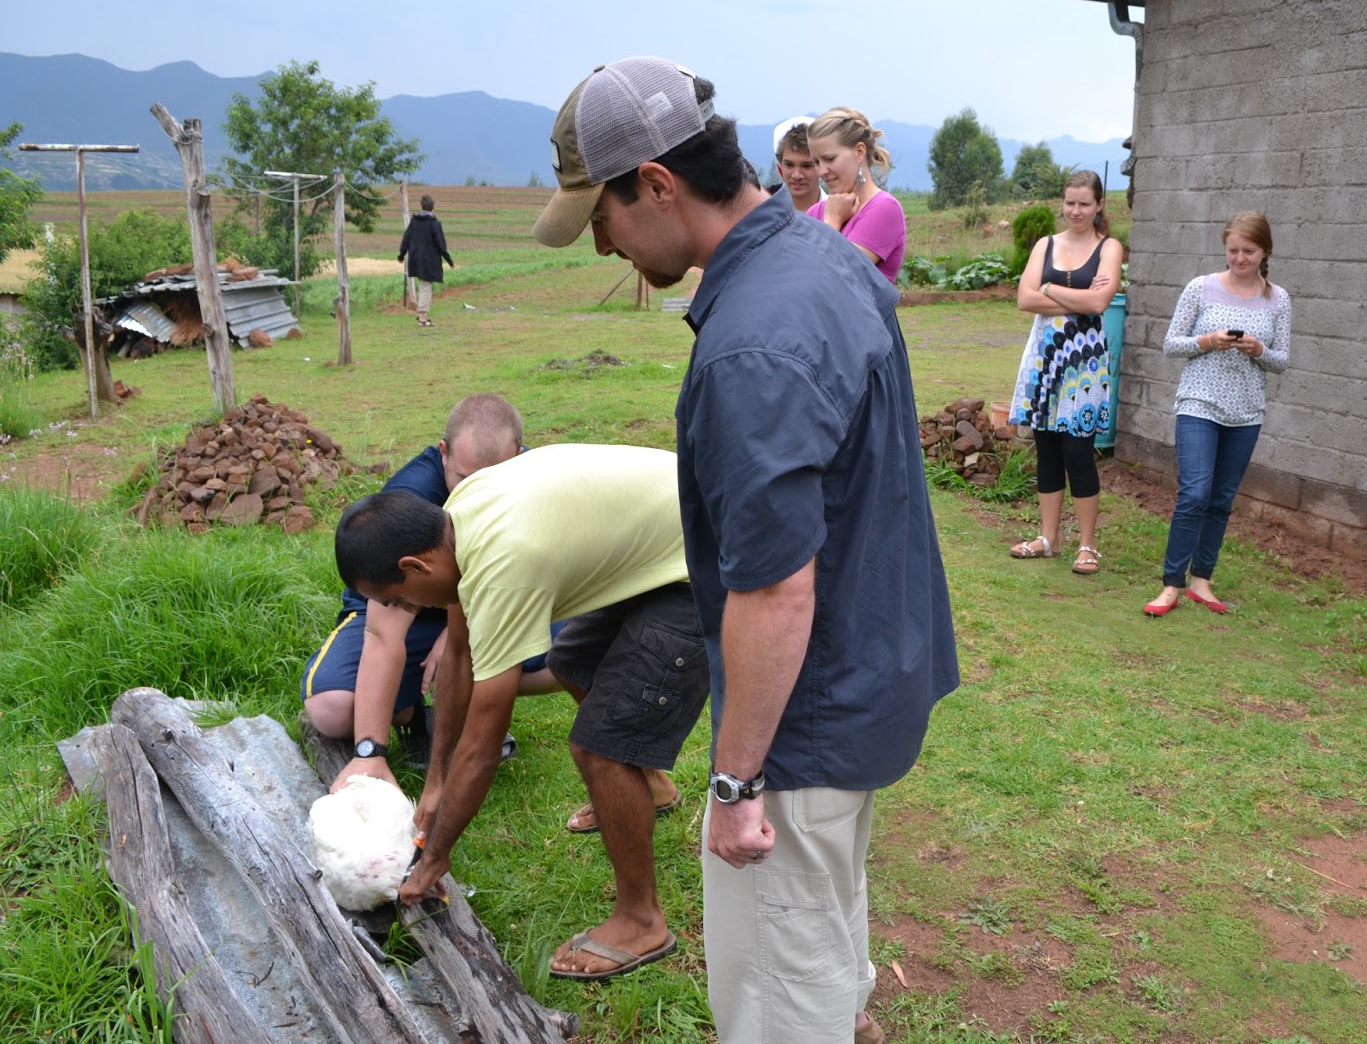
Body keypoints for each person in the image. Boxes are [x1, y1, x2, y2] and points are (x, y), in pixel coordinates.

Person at [531, 56, 958, 1044]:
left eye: (599, 216)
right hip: (868, 673)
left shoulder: (752, 341)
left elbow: (772, 591)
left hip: (803, 713)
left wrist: (733, 784)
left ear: (656, 183)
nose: (599, 244)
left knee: (774, 989)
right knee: (824, 912)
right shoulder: (821, 260)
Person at [334, 443, 707, 982]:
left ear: (416, 565)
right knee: (572, 659)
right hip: (663, 544)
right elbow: (458, 654)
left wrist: (435, 855)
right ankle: (649, 787)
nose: (398, 611)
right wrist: (435, 781)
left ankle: (641, 920)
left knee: (601, 748)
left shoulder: (503, 567)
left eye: (395, 599)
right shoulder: (458, 518)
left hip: (705, 561)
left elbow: (484, 748)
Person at [302, 394, 560, 791]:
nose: (480, 495)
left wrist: (461, 635)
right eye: (464, 478)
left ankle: (466, 715)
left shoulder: (542, 482)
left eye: (495, 478)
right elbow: (383, 633)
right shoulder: (410, 497)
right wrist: (369, 753)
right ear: (443, 453)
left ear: (521, 456)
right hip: (402, 610)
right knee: (333, 710)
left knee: (578, 654)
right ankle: (415, 716)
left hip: (488, 606)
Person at [1144, 211, 1291, 617]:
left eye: (1249, 251)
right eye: (1233, 250)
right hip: (1198, 403)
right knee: (1194, 493)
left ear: (1265, 252)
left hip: (1246, 413)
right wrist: (1209, 341)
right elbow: (1171, 344)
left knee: (1222, 499)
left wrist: (1257, 350)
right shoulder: (1201, 288)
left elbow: (1281, 361)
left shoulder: (1277, 299)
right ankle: (1171, 585)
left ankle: (1201, 582)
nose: (1240, 259)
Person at [1006, 170, 1125, 573]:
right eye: (1070, 203)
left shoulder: (1109, 247)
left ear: (1099, 205)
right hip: (1045, 359)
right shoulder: (1046, 244)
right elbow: (1024, 299)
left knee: (1078, 452)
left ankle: (1088, 545)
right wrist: (1079, 297)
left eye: (1084, 204)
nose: (1076, 211)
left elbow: (1098, 305)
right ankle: (1048, 538)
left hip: (1085, 364)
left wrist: (1051, 289)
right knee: (1047, 451)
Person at [805, 107, 906, 284]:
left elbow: (840, 279)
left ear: (859, 152)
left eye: (829, 159)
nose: (821, 171)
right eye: (816, 162)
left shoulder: (884, 209)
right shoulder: (816, 211)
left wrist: (832, 221)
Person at [398, 194, 454, 327]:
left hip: (415, 258)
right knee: (425, 287)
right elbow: (441, 245)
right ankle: (422, 316)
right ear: (433, 207)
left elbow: (406, 239)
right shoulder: (434, 223)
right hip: (429, 260)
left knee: (424, 286)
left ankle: (423, 315)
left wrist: (401, 255)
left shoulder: (414, 221)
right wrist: (449, 260)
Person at [771, 115, 822, 212]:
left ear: (822, 166)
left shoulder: (845, 213)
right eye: (789, 165)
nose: (797, 175)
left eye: (806, 166)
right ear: (780, 166)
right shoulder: (761, 211)